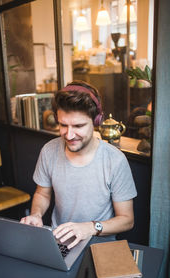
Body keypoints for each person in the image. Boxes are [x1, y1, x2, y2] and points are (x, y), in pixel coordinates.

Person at [21, 80, 137, 249]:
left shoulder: (115, 160)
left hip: (100, 247)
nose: (69, 135)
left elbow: (127, 220)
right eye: (63, 125)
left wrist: (89, 228)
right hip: (60, 243)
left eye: (78, 126)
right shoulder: (49, 150)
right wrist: (36, 214)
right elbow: (43, 194)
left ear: (96, 121)